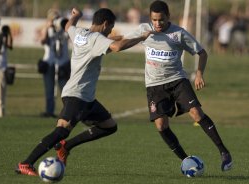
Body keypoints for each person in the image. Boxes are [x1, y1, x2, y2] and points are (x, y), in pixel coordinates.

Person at [15, 7, 153, 176]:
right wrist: (141, 37)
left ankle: (66, 146)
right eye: (110, 28)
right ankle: (26, 163)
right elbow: (117, 47)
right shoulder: (96, 39)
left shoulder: (80, 33)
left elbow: (68, 27)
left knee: (109, 126)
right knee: (61, 130)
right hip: (76, 95)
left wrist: (76, 16)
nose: (110, 31)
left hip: (87, 98)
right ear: (105, 24)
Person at [125, 0, 232, 171]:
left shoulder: (179, 34)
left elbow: (202, 53)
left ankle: (224, 152)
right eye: (154, 20)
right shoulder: (144, 31)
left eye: (161, 19)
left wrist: (199, 74)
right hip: (154, 85)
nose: (157, 23)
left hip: (177, 80)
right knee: (161, 125)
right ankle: (186, 161)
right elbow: (124, 40)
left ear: (168, 17)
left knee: (196, 113)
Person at [39, 9, 70, 118]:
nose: (55, 21)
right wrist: (48, 28)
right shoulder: (47, 29)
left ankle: (67, 111)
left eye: (57, 18)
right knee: (49, 89)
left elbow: (70, 37)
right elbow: (42, 40)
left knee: (65, 89)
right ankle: (49, 111)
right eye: (53, 19)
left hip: (63, 62)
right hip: (49, 62)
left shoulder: (64, 29)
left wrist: (63, 26)